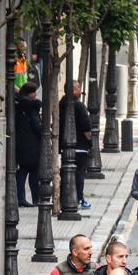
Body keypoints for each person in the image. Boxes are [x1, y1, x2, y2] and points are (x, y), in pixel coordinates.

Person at [58, 81, 92, 209]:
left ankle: (65, 198)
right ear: (73, 90)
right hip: (80, 147)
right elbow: (86, 127)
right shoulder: (78, 106)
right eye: (78, 88)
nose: (81, 90)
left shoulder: (62, 104)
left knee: (66, 173)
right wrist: (89, 141)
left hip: (65, 147)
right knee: (79, 174)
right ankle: (78, 198)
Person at [14, 82, 43, 206]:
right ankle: (36, 198)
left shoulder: (18, 104)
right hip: (32, 144)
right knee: (34, 172)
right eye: (34, 92)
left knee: (22, 172)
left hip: (20, 143)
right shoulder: (32, 107)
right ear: (29, 93)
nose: (36, 94)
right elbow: (37, 125)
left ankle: (20, 198)